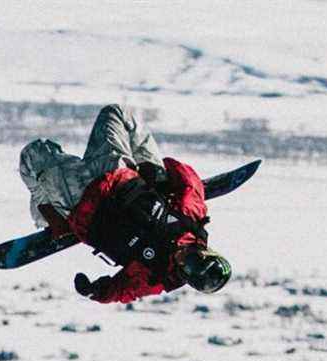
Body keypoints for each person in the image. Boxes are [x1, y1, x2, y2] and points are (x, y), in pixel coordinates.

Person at [18, 104, 231, 303]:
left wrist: (97, 290)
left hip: (79, 202)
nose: (184, 260)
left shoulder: (155, 275)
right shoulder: (190, 219)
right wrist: (160, 174)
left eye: (187, 270)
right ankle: (150, 170)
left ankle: (48, 215)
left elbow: (123, 290)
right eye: (193, 259)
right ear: (205, 251)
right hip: (114, 170)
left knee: (32, 155)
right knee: (117, 113)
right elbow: (190, 182)